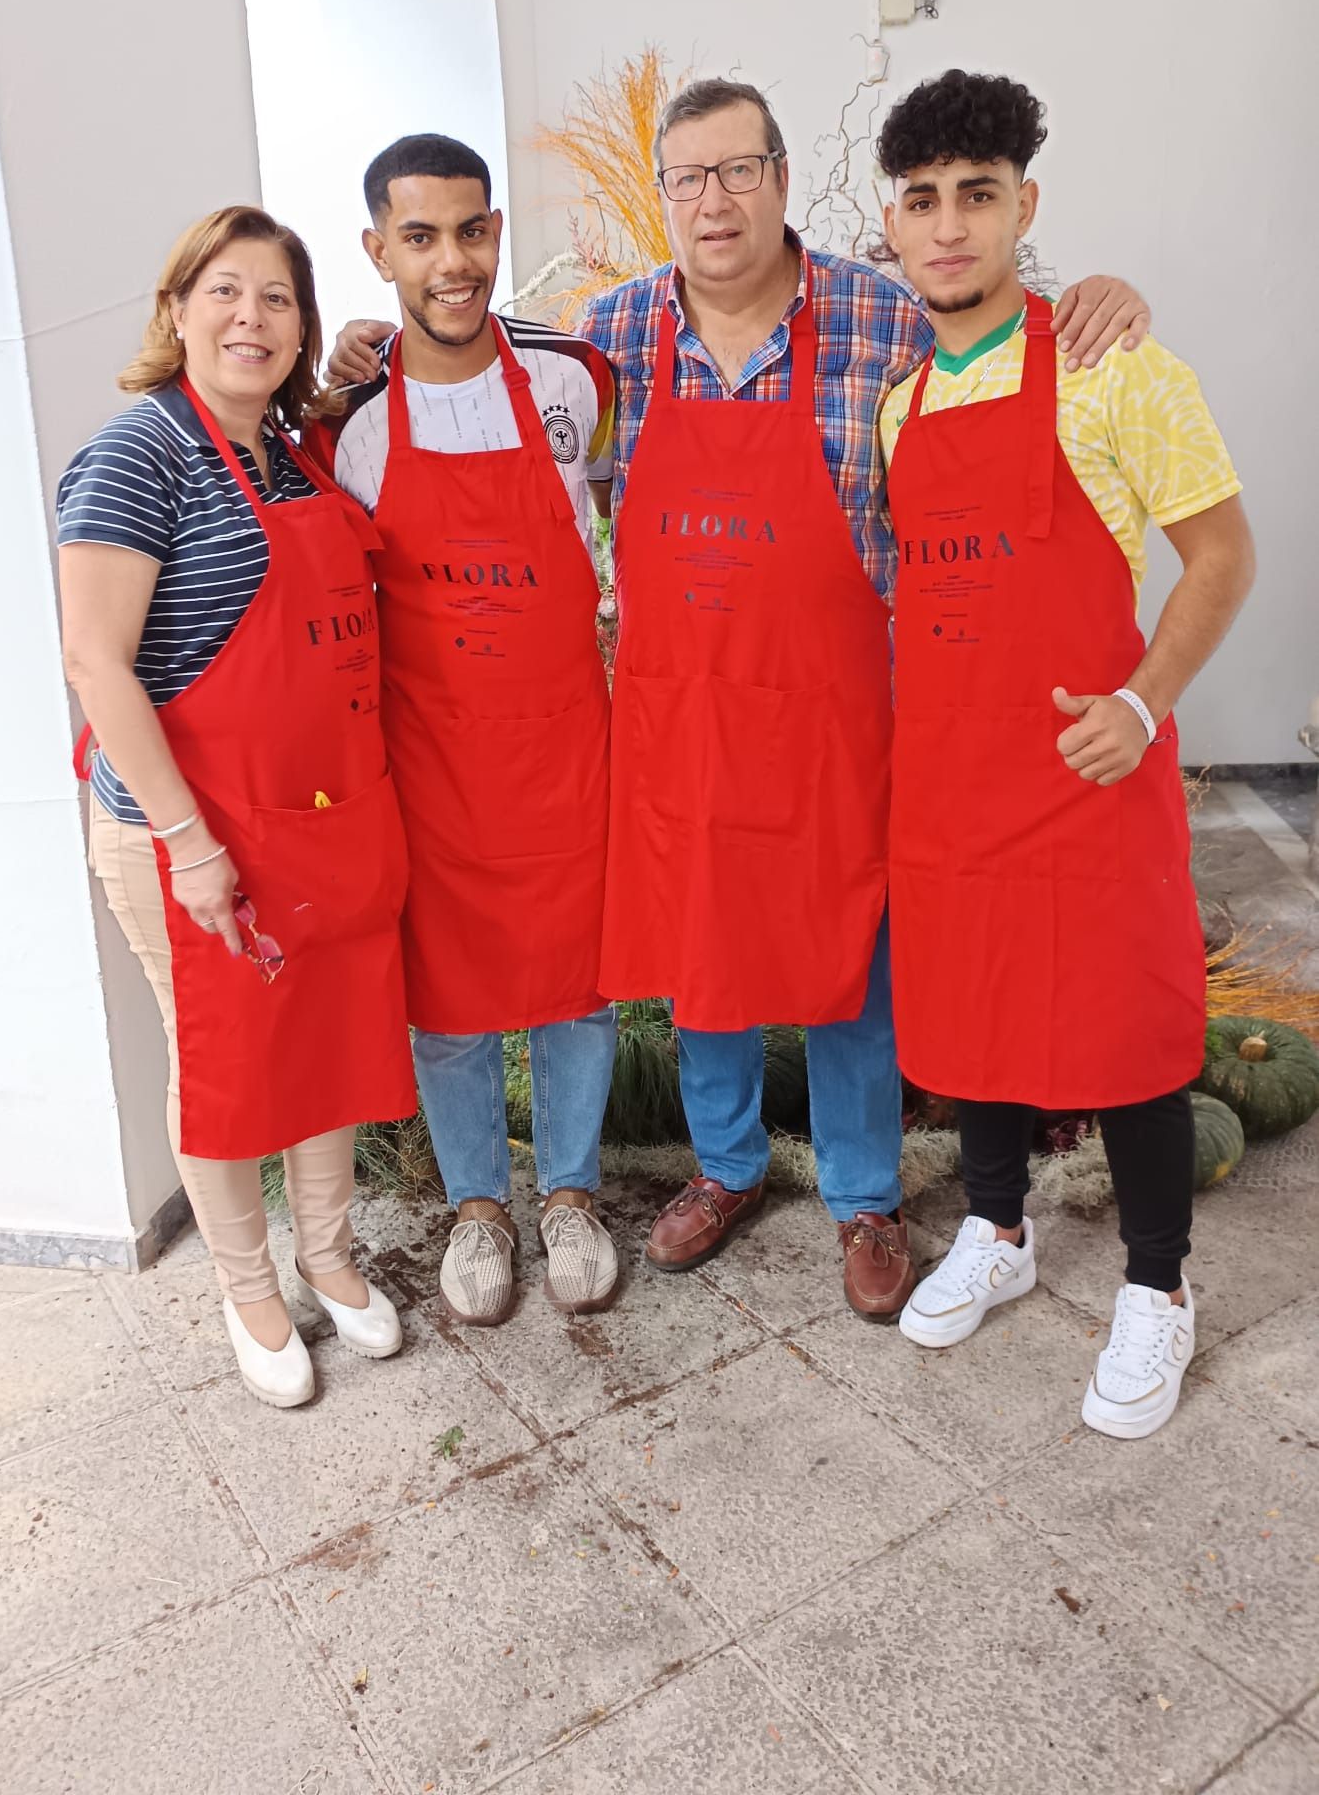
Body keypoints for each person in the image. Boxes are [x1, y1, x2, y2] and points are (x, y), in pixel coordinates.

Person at [327, 80, 1149, 1322]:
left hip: (840, 713)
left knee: (850, 958)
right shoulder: (605, 342)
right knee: (700, 952)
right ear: (665, 197)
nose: (715, 201)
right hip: (682, 715)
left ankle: (866, 1192)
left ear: (779, 177)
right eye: (689, 179)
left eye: (739, 170)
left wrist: (1100, 297)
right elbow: (474, 383)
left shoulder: (881, 315)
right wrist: (362, 351)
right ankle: (724, 1166)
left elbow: (1000, 345)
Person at [876, 70, 1254, 1436]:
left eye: (978, 195)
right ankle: (1000, 1230)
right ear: (893, 225)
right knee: (972, 1020)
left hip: (1090, 775)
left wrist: (1145, 703)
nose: (950, 225)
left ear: (1024, 206)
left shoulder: (1118, 369)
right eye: (923, 200)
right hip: (956, 783)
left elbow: (1223, 556)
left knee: (1132, 1035)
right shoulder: (899, 409)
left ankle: (1158, 1287)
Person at [57, 206, 416, 1410]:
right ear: (176, 310)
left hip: (313, 817)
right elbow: (96, 662)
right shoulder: (137, 455)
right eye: (224, 292)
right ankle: (247, 1282)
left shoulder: (289, 449)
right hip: (188, 829)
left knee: (318, 1040)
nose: (250, 318)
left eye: (276, 298)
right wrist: (188, 842)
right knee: (221, 1058)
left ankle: (327, 1255)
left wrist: (369, 352)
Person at [306, 136, 621, 1327]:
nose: (455, 261)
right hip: (432, 759)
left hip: (564, 748)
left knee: (579, 986)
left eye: (473, 231)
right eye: (423, 236)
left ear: (498, 235)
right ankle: (481, 1205)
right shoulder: (353, 427)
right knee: (448, 999)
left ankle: (574, 1191)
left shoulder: (572, 385)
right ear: (379, 250)